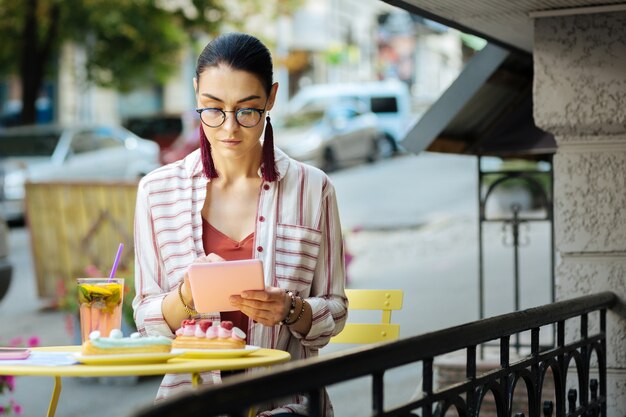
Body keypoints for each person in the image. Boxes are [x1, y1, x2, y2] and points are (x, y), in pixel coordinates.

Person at [132, 32, 347, 416]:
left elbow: (336, 309)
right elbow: (147, 319)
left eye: (247, 111)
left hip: (287, 405)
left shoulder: (314, 189)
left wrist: (290, 310)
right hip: (190, 403)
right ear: (196, 92)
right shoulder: (156, 192)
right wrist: (186, 296)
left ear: (271, 99)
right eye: (213, 108)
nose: (229, 128)